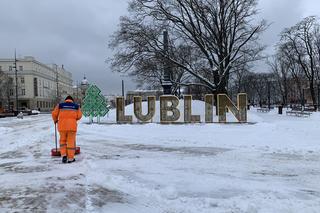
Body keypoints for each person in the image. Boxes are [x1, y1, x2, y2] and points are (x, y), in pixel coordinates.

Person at [52, 95, 82, 163]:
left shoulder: (60, 105)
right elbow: (79, 116)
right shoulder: (76, 106)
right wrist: (74, 119)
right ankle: (71, 158)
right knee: (70, 142)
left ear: (65, 100)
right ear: (72, 100)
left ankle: (64, 155)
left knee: (62, 141)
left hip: (62, 127)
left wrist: (55, 120)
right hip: (72, 127)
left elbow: (54, 114)